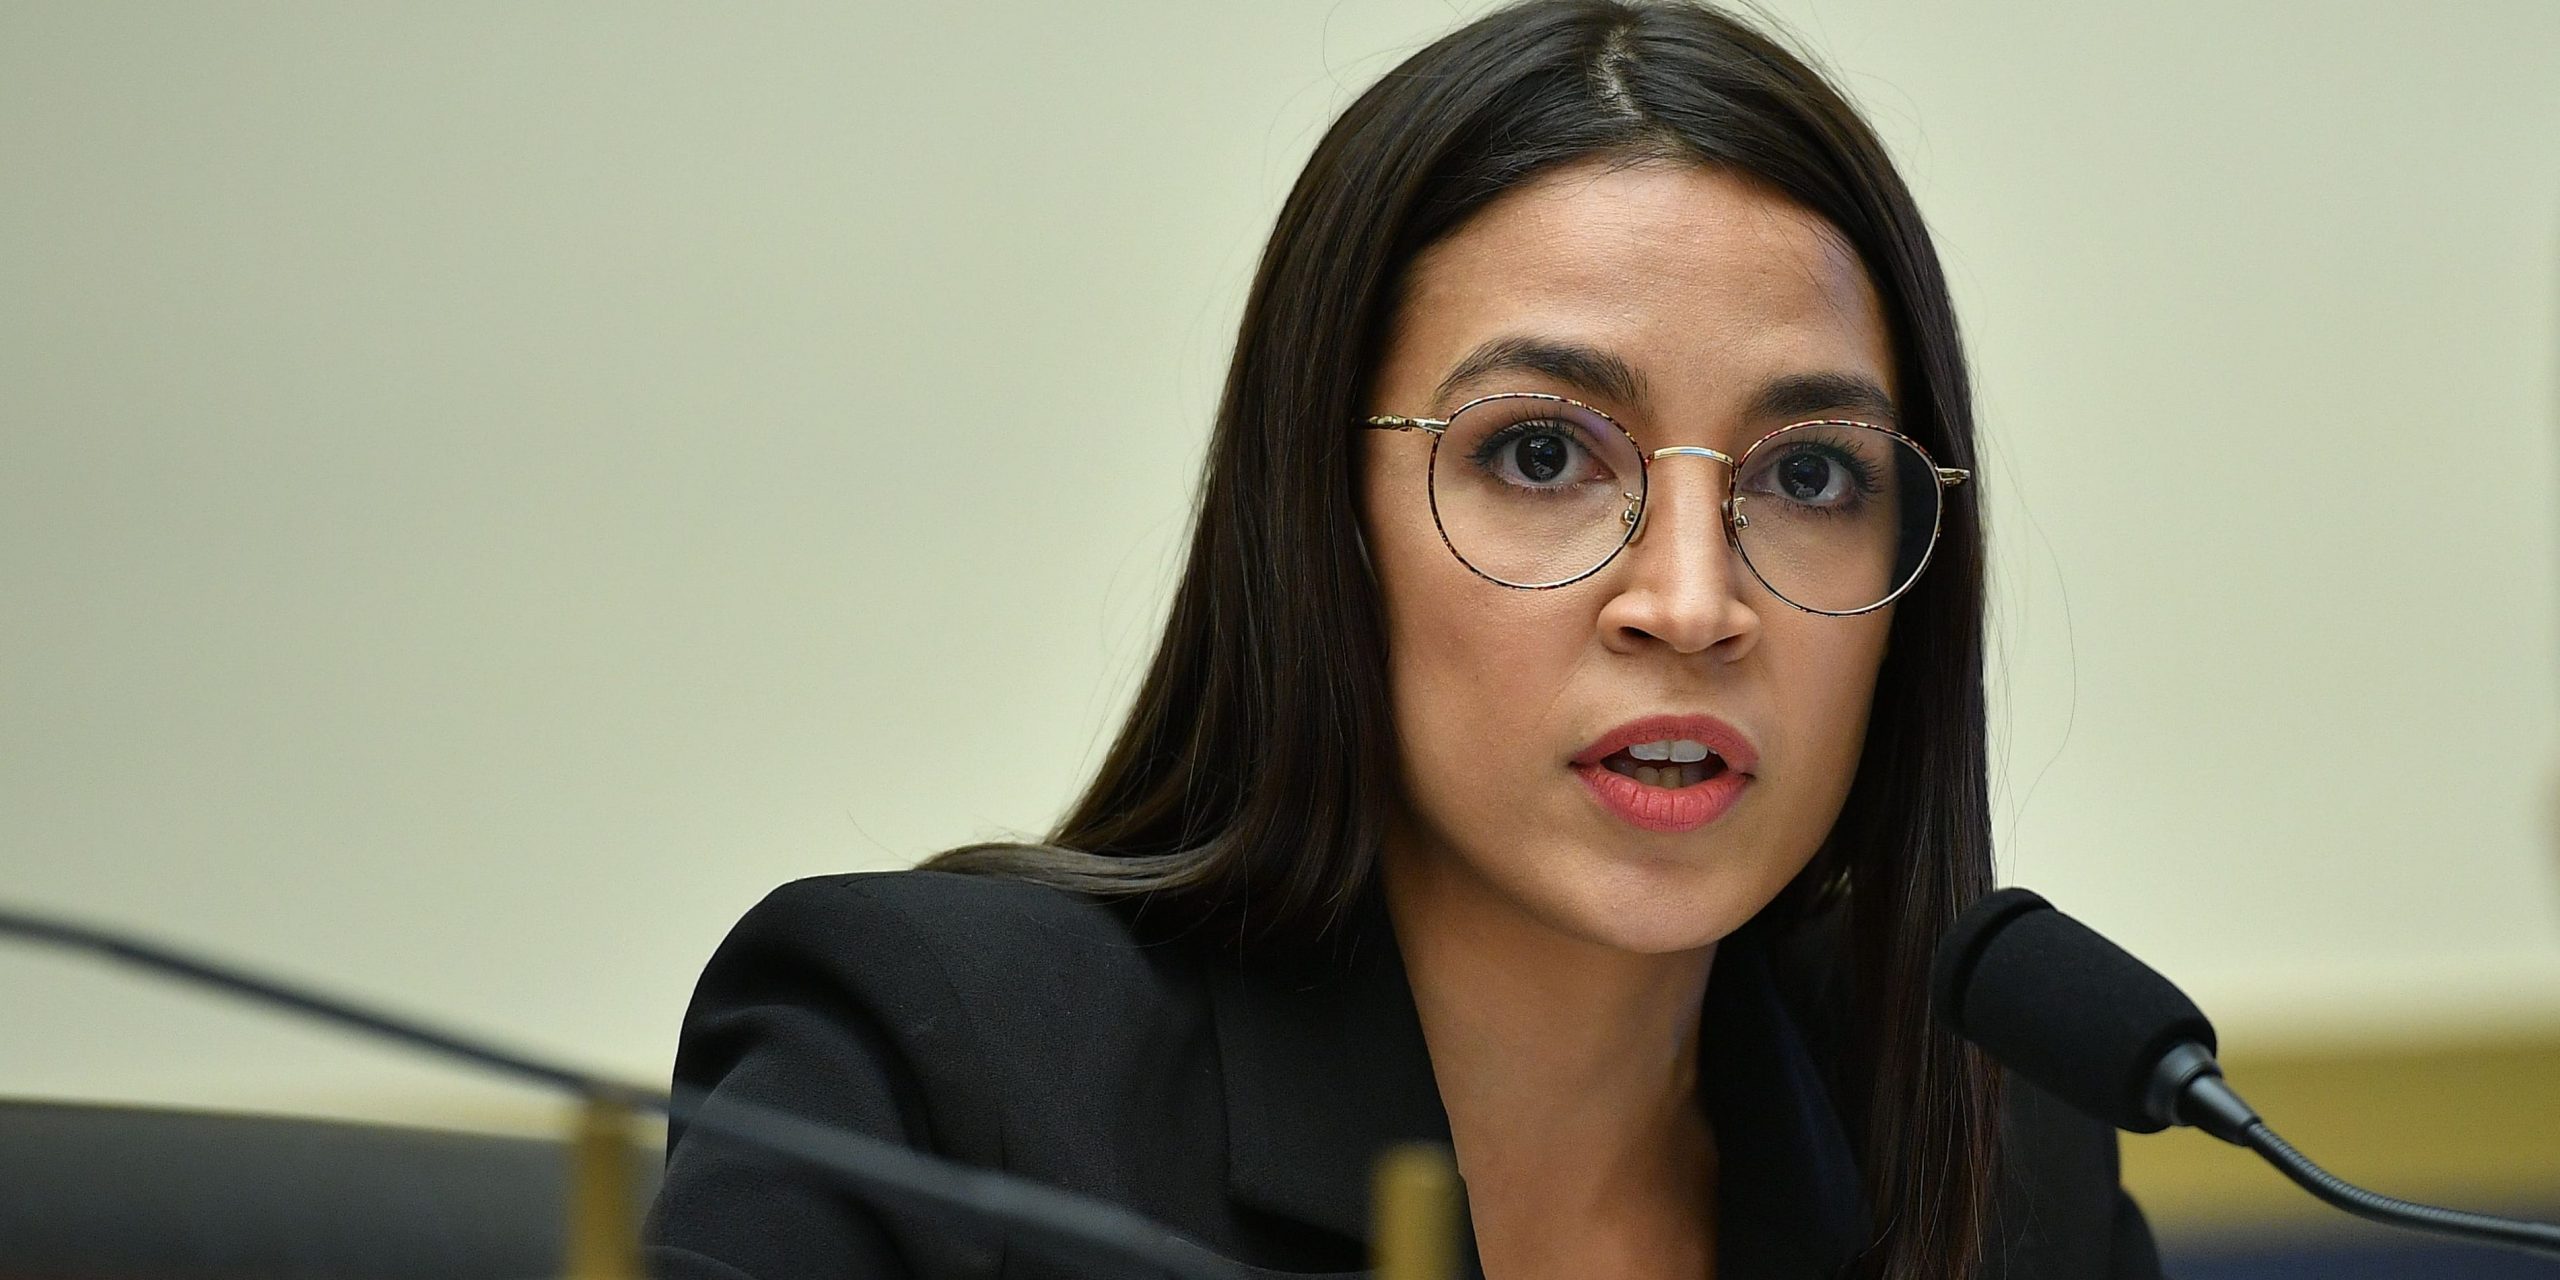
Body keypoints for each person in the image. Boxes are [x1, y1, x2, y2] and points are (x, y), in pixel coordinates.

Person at [644, 2, 2163, 1277]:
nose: (1694, 606)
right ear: (1320, 518)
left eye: (1808, 473)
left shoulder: (1999, 1153)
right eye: (1546, 458)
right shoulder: (943, 1078)